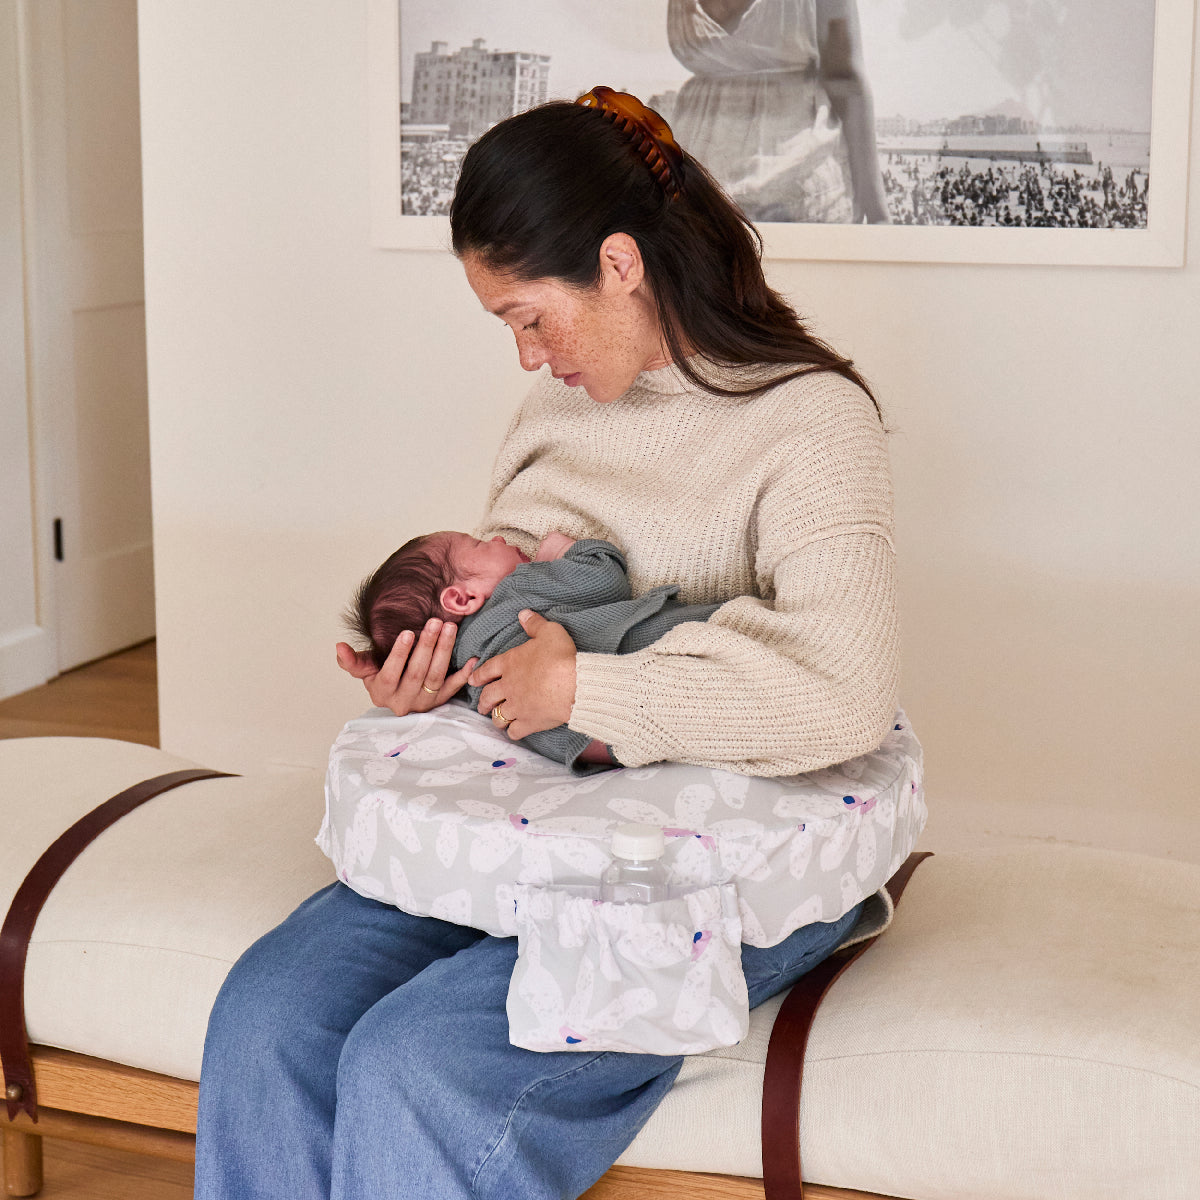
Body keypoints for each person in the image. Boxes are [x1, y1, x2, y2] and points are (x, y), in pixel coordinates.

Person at [195, 86, 898, 1200]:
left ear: (620, 263)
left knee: (418, 1065)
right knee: (267, 1014)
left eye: (530, 317)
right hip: (533, 825)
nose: (527, 358)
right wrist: (440, 679)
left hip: (708, 860)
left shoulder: (811, 423)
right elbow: (514, 616)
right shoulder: (556, 415)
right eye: (507, 329)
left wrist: (589, 692)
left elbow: (844, 692)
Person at [345, 529, 721, 771]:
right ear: (462, 598)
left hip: (616, 734)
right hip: (667, 639)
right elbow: (606, 581)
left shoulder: (475, 685)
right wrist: (569, 550)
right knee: (728, 632)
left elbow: (541, 729)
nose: (498, 538)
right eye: (479, 544)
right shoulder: (519, 588)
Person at [667, 0, 890, 223]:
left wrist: (878, 213)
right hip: (695, 186)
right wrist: (878, 214)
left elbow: (845, 78)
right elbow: (845, 76)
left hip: (790, 183)